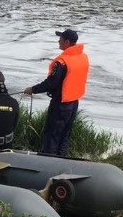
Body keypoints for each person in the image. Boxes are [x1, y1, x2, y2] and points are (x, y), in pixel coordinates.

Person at [23, 28, 90, 157]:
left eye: (60, 39)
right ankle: (62, 162)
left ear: (67, 42)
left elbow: (51, 83)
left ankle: (48, 165)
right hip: (74, 102)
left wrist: (33, 89)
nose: (58, 41)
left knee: (51, 136)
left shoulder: (62, 62)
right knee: (64, 135)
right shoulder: (83, 58)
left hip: (61, 104)